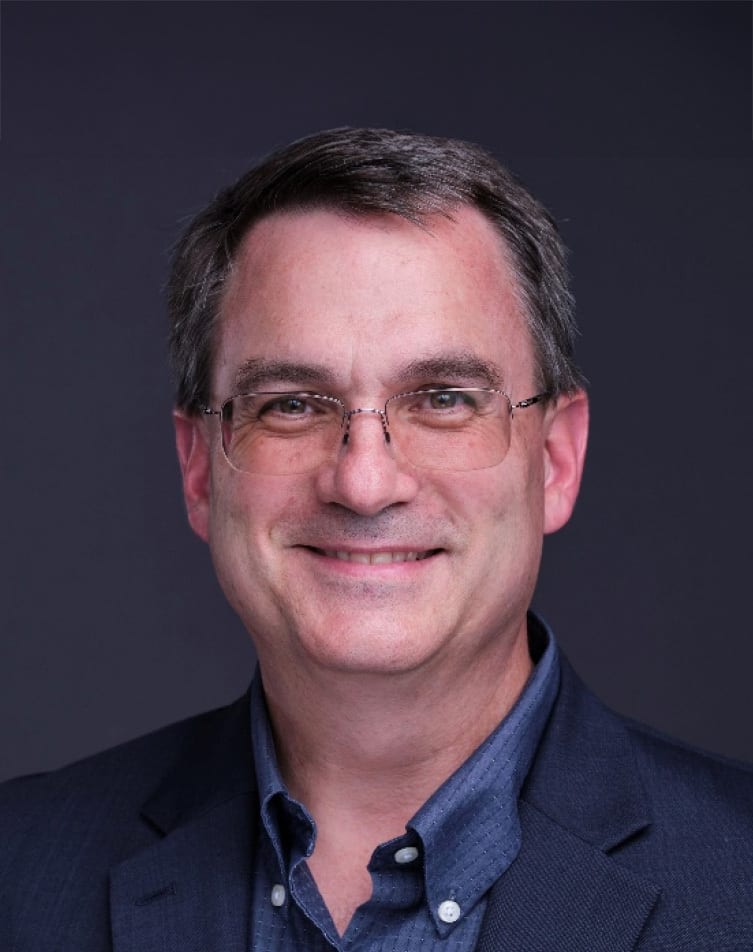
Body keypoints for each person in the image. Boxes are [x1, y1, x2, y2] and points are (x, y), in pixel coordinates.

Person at [1, 128, 751, 951]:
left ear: (556, 460)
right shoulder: (21, 871)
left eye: (441, 399)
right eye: (290, 404)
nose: (363, 482)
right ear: (199, 469)